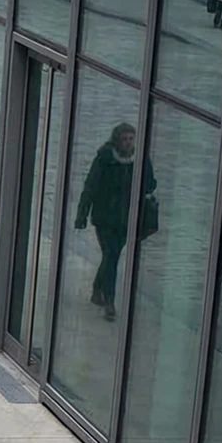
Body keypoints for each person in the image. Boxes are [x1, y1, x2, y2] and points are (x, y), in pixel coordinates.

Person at [74, 122, 156, 321]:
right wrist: (82, 215)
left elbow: (150, 185)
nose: (128, 143)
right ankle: (109, 301)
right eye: (125, 139)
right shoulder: (104, 158)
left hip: (126, 218)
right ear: (117, 140)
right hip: (105, 217)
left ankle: (97, 289)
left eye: (131, 139)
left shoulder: (140, 159)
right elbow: (91, 186)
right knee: (110, 254)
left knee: (112, 255)